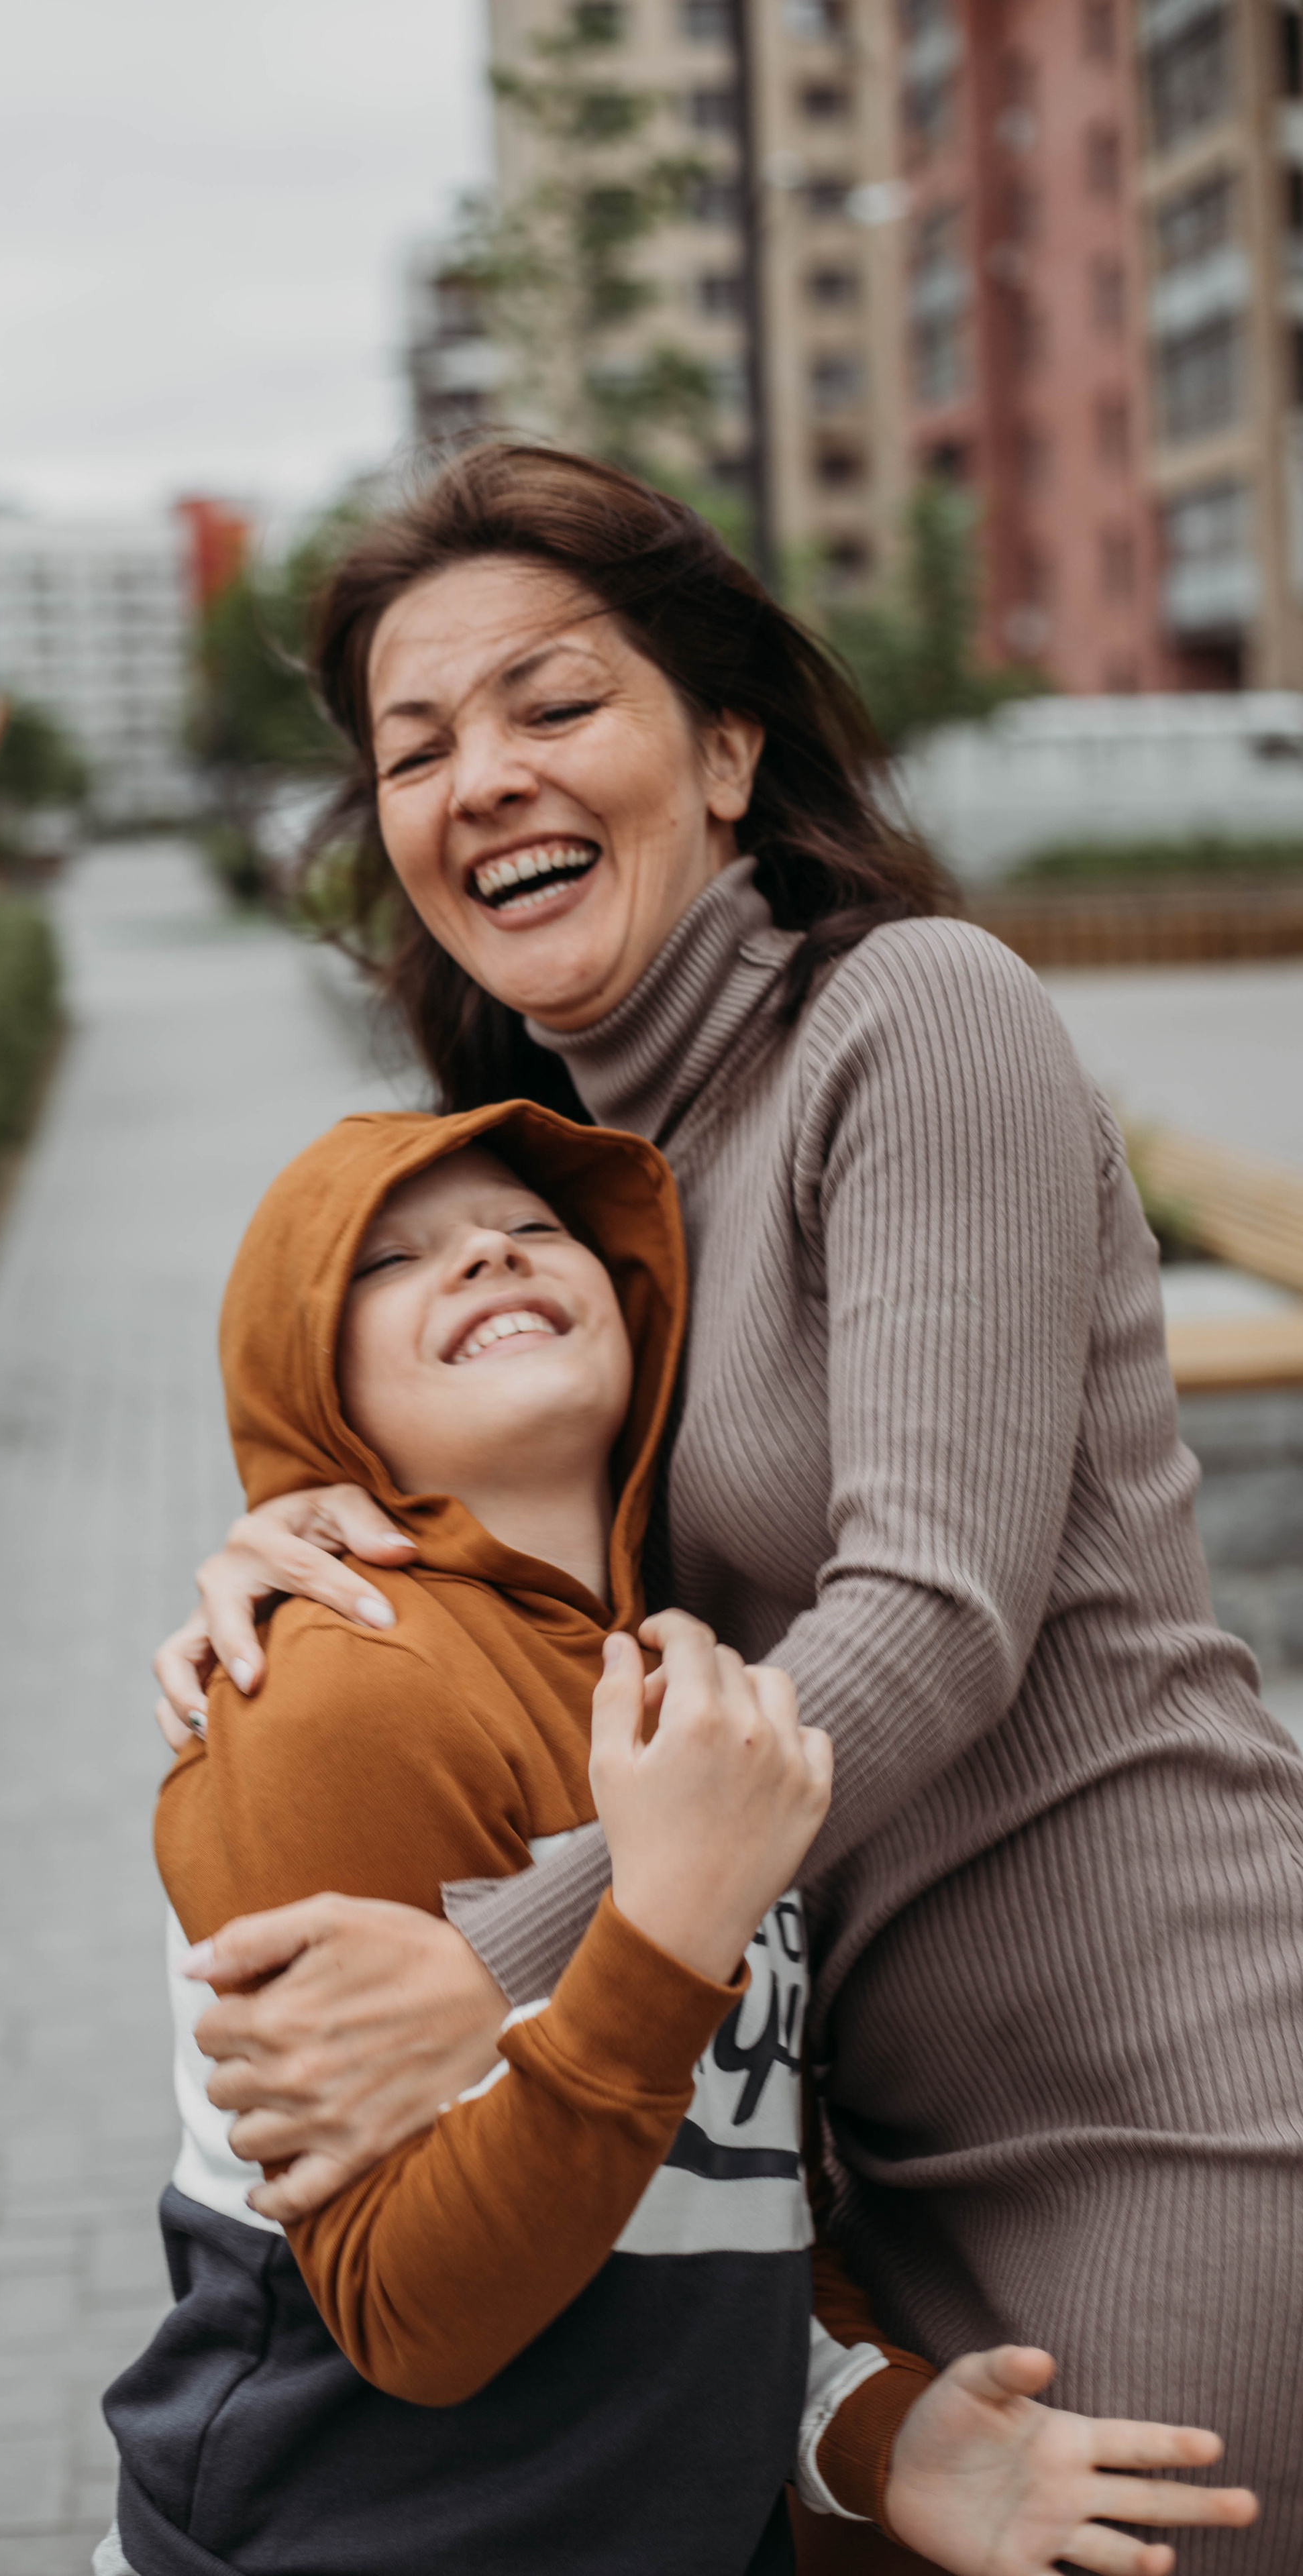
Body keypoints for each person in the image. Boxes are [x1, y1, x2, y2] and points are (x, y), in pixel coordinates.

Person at [153, 445, 1303, 2568]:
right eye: (417, 748)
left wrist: (483, 1964)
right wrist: (302, 1524)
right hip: (831, 2189)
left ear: (730, 745)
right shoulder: (564, 1199)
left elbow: (935, 1615)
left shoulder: (911, 1018)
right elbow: (563, 1601)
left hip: (1149, 2112)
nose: (480, 775)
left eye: (552, 703)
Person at [104, 1104, 1251, 2576]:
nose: (482, 1254)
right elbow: (410, 2316)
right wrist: (656, 1937)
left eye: (530, 1229)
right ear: (304, 1388)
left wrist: (875, 2433)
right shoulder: (328, 1692)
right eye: (391, 1257)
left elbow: (715, 2184)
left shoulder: (681, 1697)